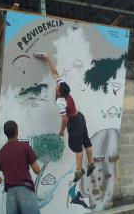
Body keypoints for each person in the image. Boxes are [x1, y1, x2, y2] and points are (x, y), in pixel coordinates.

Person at [35, 53, 95, 182]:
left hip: (74, 122)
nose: (56, 85)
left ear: (60, 91)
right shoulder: (64, 89)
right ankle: (91, 163)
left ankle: (79, 171)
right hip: (80, 117)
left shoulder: (61, 101)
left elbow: (65, 119)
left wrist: (62, 131)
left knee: (76, 147)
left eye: (57, 87)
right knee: (86, 141)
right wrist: (47, 59)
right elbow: (55, 73)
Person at [0, 120, 41, 214]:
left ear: (5, 133)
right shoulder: (24, 147)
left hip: (10, 192)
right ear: (17, 131)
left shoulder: (1, 153)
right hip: (24, 190)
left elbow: (5, 171)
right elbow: (37, 170)